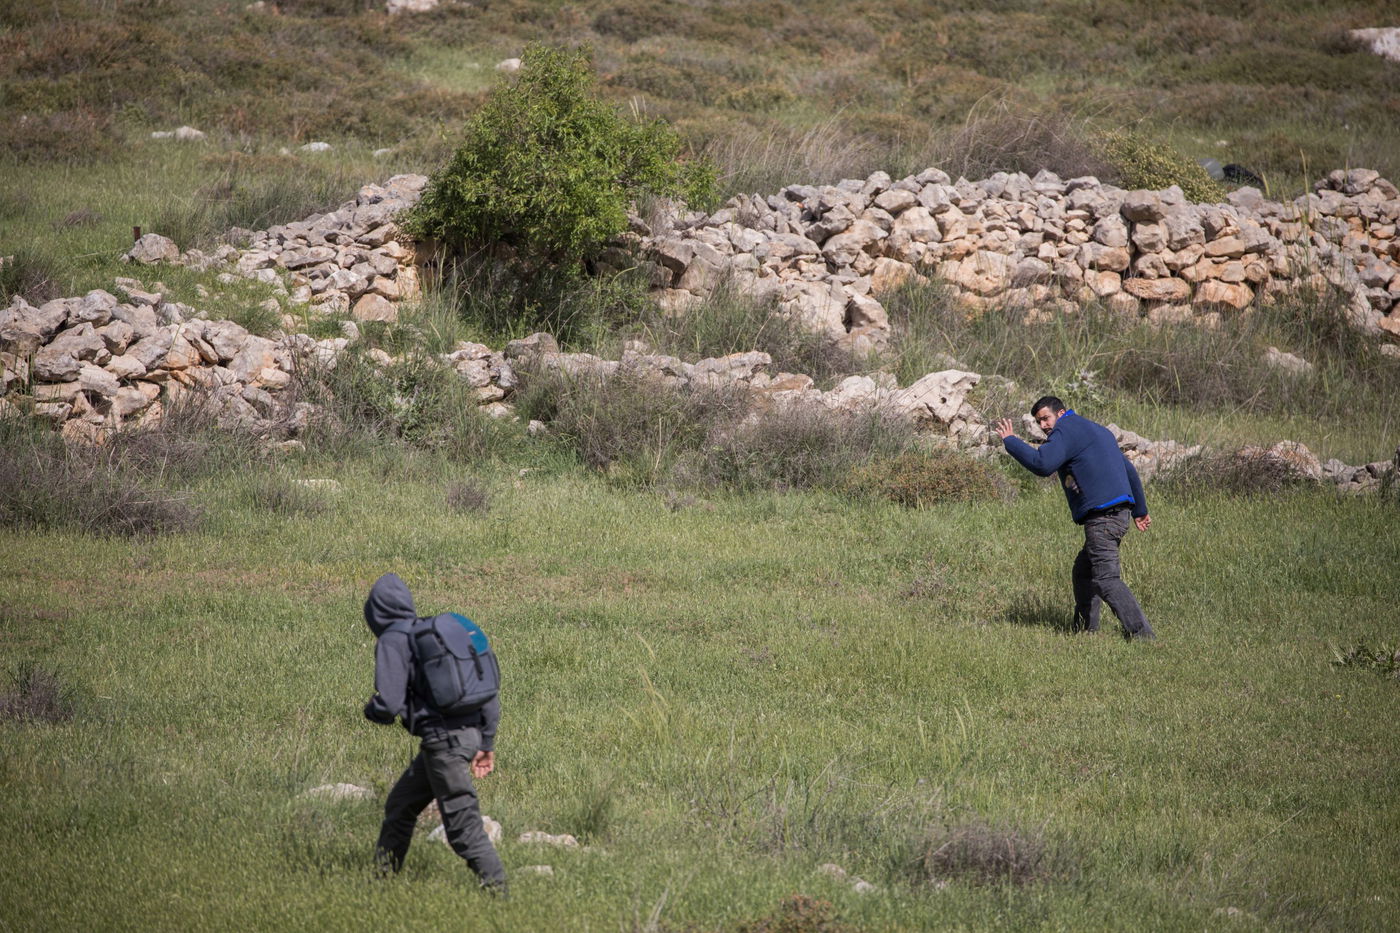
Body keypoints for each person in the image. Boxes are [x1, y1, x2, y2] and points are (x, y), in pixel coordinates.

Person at [362, 572, 507, 892]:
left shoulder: (393, 639)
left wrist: (369, 711)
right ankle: (379, 884)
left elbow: (388, 703)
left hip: (445, 745)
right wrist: (486, 741)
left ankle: (499, 892)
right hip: (461, 737)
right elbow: (488, 691)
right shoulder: (431, 635)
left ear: (376, 612)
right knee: (400, 806)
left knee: (463, 827)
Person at [994, 397, 1157, 640]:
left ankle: (1142, 635)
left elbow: (1042, 464)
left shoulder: (1066, 429)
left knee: (1105, 579)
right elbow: (1129, 470)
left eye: (1046, 418)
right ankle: (1083, 631)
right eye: (1039, 422)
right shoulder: (1097, 431)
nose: (1044, 425)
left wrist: (1010, 441)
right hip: (1117, 513)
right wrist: (1139, 510)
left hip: (1102, 517)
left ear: (1061, 412)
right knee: (1084, 572)